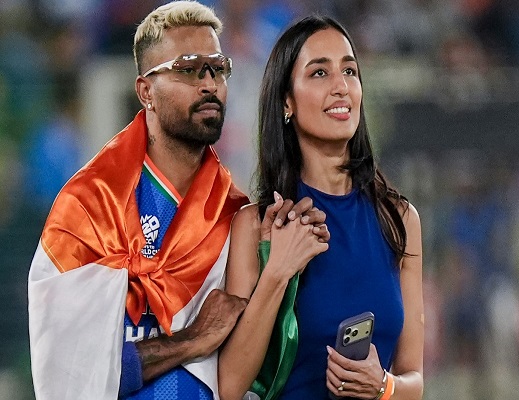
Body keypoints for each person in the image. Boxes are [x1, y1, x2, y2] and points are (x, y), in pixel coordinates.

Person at [27, 2, 327, 399]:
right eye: (188, 69)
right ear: (145, 91)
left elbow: (250, 377)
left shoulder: (234, 216)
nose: (209, 84)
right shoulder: (88, 207)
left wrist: (277, 258)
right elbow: (67, 373)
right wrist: (191, 340)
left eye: (218, 68)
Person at [218, 14, 424, 400]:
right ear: (287, 102)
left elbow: (413, 377)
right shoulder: (255, 225)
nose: (341, 86)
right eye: (319, 73)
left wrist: (383, 387)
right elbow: (229, 386)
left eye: (349, 71)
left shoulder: (400, 219)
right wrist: (278, 271)